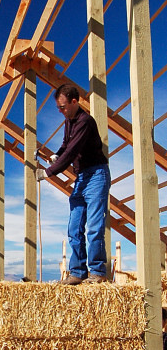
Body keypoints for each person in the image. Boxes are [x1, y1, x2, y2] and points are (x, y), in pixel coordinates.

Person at [36, 84, 110, 285]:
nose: (60, 111)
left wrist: (48, 172)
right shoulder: (69, 121)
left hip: (96, 174)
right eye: (58, 108)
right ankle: (77, 272)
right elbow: (66, 146)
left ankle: (97, 272)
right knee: (74, 227)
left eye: (62, 107)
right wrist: (56, 155)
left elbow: (72, 152)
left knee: (94, 226)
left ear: (74, 102)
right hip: (82, 177)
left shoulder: (85, 121)